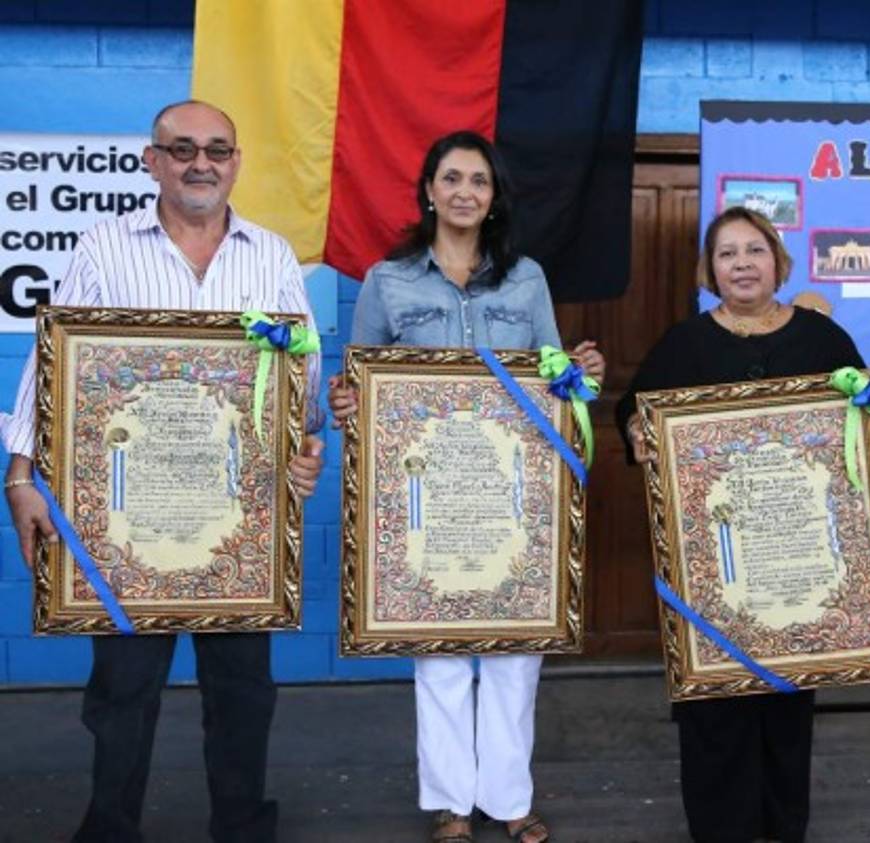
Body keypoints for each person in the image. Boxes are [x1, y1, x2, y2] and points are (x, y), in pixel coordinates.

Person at [0, 100, 325, 842]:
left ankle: (242, 826)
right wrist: (20, 478)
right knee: (122, 690)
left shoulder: (269, 254)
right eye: (182, 149)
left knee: (244, 690)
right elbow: (52, 370)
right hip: (129, 523)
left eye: (216, 148)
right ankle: (110, 828)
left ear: (237, 161)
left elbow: (300, 374)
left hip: (238, 523)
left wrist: (309, 442)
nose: (200, 162)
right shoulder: (102, 247)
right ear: (152, 161)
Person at [327, 130, 604, 843]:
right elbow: (357, 383)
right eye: (451, 178)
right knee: (441, 650)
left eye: (478, 181)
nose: (464, 191)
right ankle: (451, 801)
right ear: (429, 189)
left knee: (516, 649)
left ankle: (509, 799)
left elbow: (552, 374)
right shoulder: (389, 280)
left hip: (512, 490)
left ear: (493, 197)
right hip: (426, 498)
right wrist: (348, 400)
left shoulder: (527, 279)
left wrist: (578, 369)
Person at [615, 206, 866, 843]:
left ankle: (783, 829)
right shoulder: (685, 344)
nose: (742, 264)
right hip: (715, 571)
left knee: (787, 705)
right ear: (711, 270)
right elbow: (634, 410)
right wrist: (638, 433)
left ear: (777, 261)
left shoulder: (822, 340)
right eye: (727, 254)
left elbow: (865, 413)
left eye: (753, 250)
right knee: (715, 711)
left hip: (799, 562)